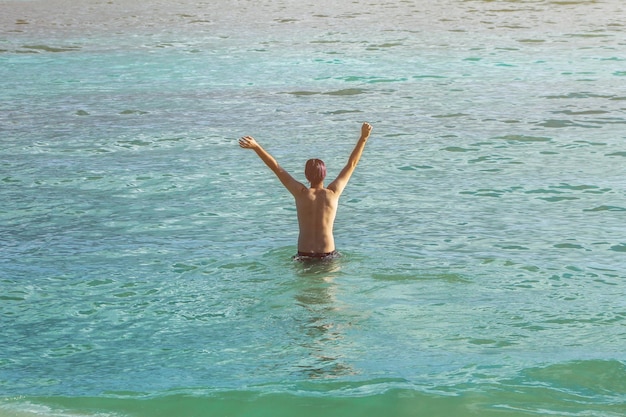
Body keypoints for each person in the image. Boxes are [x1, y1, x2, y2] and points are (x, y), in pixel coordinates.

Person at [239, 122, 373, 260]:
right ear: (324, 174)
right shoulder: (333, 193)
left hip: (304, 254)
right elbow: (352, 164)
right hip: (328, 253)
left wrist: (256, 147)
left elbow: (276, 168)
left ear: (306, 176)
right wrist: (363, 138)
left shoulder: (300, 193)